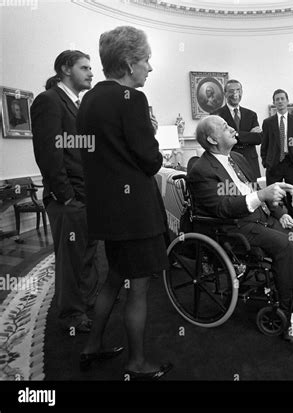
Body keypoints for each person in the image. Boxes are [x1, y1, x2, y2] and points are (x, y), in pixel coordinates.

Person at [188, 115, 293, 347]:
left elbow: (258, 190)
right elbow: (222, 207)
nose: (231, 128)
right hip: (234, 228)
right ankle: (291, 318)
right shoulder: (201, 169)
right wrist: (261, 196)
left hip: (261, 220)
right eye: (224, 127)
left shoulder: (237, 158)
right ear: (211, 138)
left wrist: (280, 213)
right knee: (287, 247)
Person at [77, 26, 173, 380]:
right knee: (139, 287)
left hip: (107, 212)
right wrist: (150, 133)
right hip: (135, 215)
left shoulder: (89, 99)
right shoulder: (132, 99)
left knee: (115, 279)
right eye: (146, 60)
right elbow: (151, 161)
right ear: (130, 62)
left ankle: (92, 346)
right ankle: (137, 362)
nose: (150, 67)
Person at [31, 50, 99, 334]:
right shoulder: (48, 101)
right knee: (71, 259)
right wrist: (66, 195)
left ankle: (87, 300)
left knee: (87, 253)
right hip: (68, 198)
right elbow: (49, 153)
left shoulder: (78, 104)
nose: (91, 73)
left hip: (86, 194)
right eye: (85, 67)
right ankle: (72, 314)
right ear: (65, 69)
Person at [261, 89, 293, 220]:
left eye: (282, 98)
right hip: (274, 164)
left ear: (287, 101)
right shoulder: (268, 122)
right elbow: (265, 145)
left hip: (292, 163)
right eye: (277, 99)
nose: (280, 101)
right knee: (273, 200)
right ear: (274, 102)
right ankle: (276, 226)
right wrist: (265, 162)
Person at [212, 79, 263, 178]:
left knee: (253, 191)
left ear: (242, 92)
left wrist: (234, 134)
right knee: (232, 191)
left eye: (238, 90)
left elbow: (258, 139)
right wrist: (248, 135)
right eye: (231, 91)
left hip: (250, 161)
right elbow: (221, 139)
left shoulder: (251, 115)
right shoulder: (216, 115)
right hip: (229, 161)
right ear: (225, 93)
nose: (235, 94)